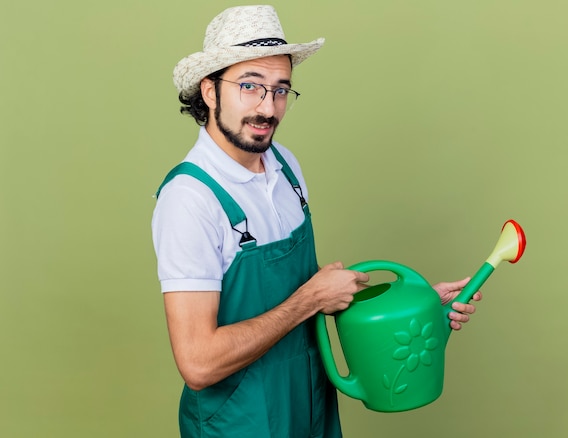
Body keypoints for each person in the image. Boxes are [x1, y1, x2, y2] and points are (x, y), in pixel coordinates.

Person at [152, 5, 481, 437]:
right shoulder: (190, 199)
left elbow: (313, 297)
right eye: (249, 86)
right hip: (239, 423)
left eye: (280, 90)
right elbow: (198, 363)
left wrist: (411, 308)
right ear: (209, 91)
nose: (267, 108)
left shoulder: (285, 167)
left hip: (309, 405)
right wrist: (309, 299)